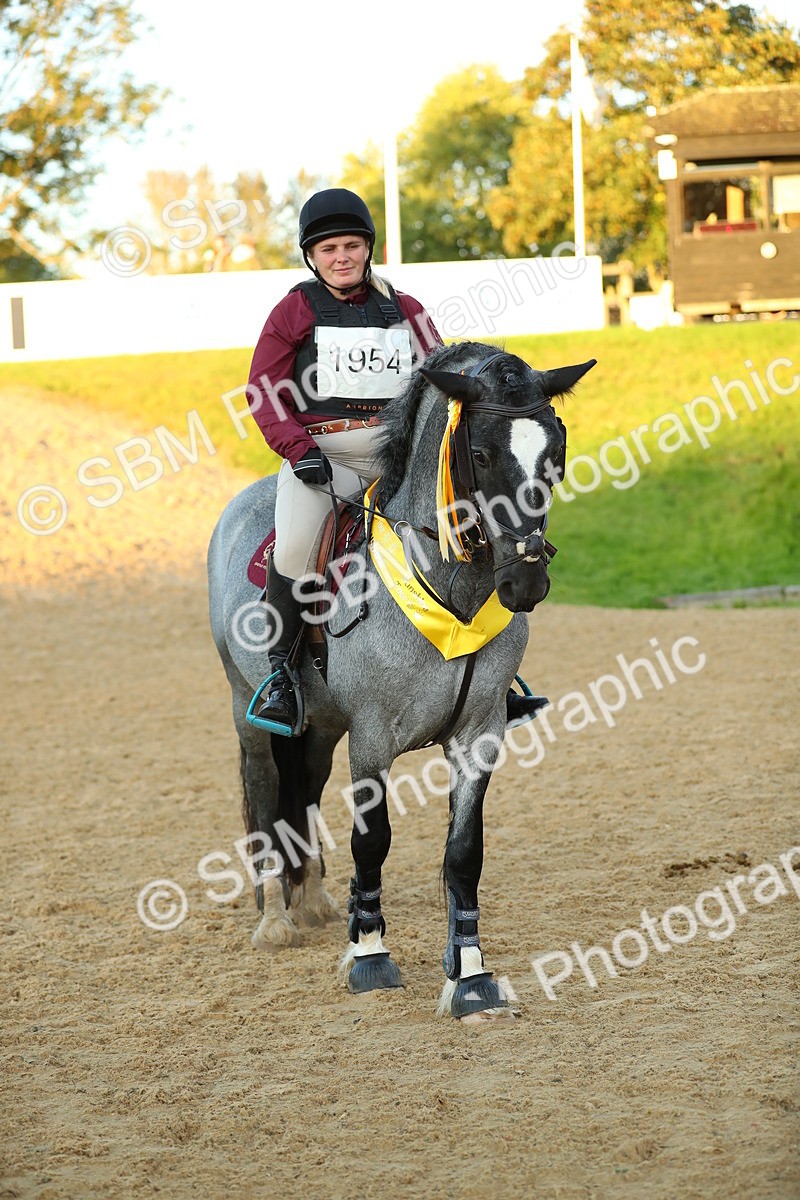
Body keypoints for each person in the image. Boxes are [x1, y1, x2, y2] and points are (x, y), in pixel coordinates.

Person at [246, 187, 443, 733]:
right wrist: (298, 449)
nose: (341, 257)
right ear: (312, 256)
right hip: (322, 451)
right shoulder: (294, 310)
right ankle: (280, 676)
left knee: (465, 519)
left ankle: (498, 673)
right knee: (293, 548)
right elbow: (264, 391)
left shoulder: (407, 311)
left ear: (367, 249)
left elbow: (440, 384)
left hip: (395, 451)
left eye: (351, 246)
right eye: (329, 248)